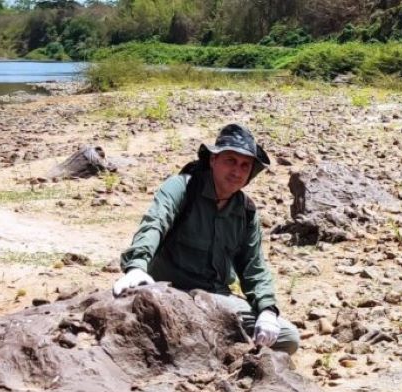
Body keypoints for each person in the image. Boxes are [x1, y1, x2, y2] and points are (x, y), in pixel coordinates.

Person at [113, 123, 300, 354]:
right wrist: (137, 266)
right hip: (169, 295)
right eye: (230, 160)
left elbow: (255, 267)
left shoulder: (246, 211)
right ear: (213, 160)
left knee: (287, 338)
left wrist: (267, 310)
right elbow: (154, 224)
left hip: (215, 301)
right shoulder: (182, 188)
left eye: (245, 165)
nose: (237, 171)